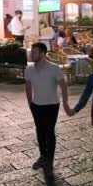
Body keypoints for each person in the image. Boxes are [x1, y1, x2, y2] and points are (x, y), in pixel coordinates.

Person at [25, 43, 70, 176]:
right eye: (31, 52)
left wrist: (65, 103)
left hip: (51, 105)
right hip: (36, 104)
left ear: (43, 54)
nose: (31, 54)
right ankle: (43, 155)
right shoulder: (29, 69)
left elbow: (63, 86)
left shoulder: (54, 68)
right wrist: (30, 104)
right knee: (40, 131)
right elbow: (28, 88)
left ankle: (49, 159)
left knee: (49, 131)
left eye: (34, 52)